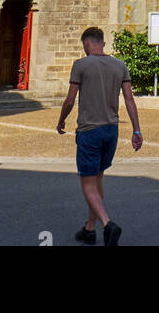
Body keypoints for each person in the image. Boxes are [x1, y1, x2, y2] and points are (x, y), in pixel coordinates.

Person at [56, 27, 142, 246]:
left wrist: (61, 120)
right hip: (111, 129)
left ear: (86, 44)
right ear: (102, 43)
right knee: (98, 178)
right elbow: (130, 100)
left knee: (87, 182)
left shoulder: (81, 65)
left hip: (89, 130)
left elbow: (69, 99)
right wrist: (136, 130)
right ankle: (89, 229)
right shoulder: (120, 65)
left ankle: (107, 224)